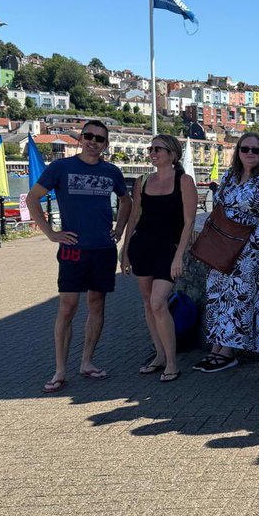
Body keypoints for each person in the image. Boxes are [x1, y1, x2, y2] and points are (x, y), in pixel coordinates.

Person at [26, 119, 131, 392]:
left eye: (99, 139)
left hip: (103, 249)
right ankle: (60, 370)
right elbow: (32, 198)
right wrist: (51, 233)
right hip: (73, 249)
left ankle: (87, 362)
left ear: (106, 145)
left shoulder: (112, 172)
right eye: (89, 136)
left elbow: (127, 200)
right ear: (81, 139)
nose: (93, 142)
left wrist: (119, 229)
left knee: (97, 304)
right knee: (68, 307)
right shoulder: (61, 168)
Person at [194, 132, 259, 373]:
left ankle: (228, 351)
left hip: (252, 248)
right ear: (238, 152)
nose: (250, 154)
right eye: (245, 149)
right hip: (225, 243)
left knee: (239, 298)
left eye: (256, 150)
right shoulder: (230, 176)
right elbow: (221, 203)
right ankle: (216, 346)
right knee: (218, 294)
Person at [120, 134, 197, 382]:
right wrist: (124, 250)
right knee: (147, 302)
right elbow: (133, 219)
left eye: (158, 149)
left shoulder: (184, 181)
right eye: (150, 148)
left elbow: (189, 223)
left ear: (172, 154)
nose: (152, 152)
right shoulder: (142, 181)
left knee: (158, 302)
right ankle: (159, 355)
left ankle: (172, 361)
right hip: (142, 247)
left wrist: (179, 256)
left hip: (168, 250)